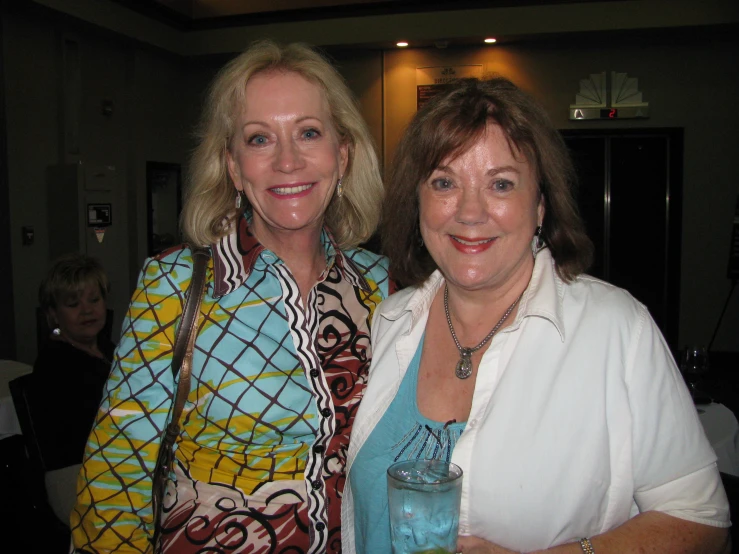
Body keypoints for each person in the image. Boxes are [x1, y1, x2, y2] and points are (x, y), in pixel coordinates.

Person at [344, 77, 730, 554]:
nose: (470, 211)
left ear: (540, 205)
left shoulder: (616, 329)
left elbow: (702, 522)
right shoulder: (390, 320)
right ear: (417, 202)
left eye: (501, 184)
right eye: (445, 182)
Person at [71, 41, 392, 553]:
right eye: (260, 139)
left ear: (343, 153)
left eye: (308, 133)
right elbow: (117, 471)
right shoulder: (174, 284)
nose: (288, 160)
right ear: (234, 168)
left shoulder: (382, 286)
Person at [34, 252, 113, 469]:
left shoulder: (108, 347)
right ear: (53, 314)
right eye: (73, 304)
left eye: (94, 300)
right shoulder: (56, 364)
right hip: (78, 469)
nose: (87, 310)